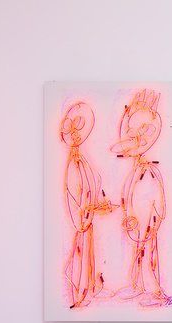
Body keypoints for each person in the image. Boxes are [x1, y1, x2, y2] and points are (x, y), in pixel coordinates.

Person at [110, 89, 167, 308]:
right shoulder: (136, 168)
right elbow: (128, 193)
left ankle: (156, 290)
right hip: (136, 220)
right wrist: (127, 213)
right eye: (131, 132)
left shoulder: (150, 170)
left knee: (149, 251)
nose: (135, 138)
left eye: (143, 130)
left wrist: (156, 218)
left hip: (148, 220)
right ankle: (138, 284)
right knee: (138, 251)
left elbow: (158, 198)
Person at [61, 102, 115, 308]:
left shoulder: (81, 159)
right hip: (81, 220)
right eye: (70, 127)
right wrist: (88, 210)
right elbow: (74, 195)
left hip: (86, 218)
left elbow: (90, 187)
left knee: (88, 253)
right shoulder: (73, 162)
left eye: (79, 126)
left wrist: (97, 205)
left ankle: (89, 288)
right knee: (80, 253)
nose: (75, 133)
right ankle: (78, 295)